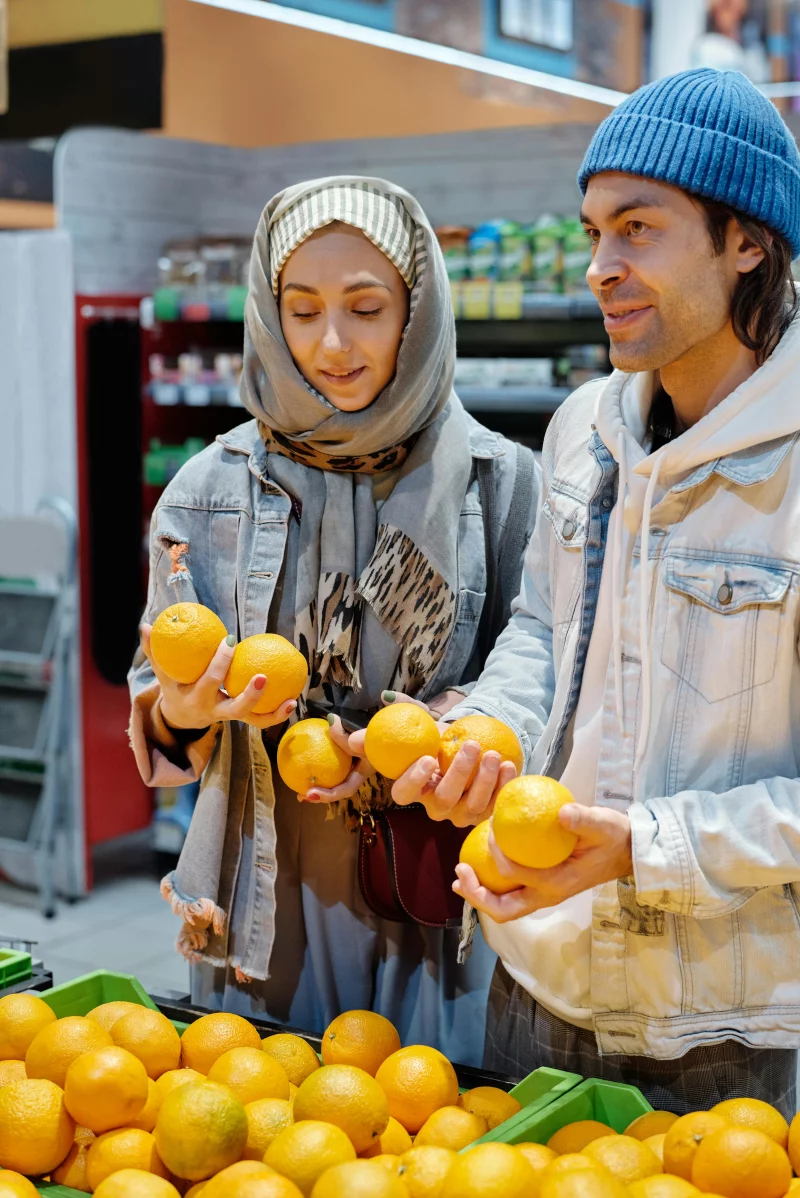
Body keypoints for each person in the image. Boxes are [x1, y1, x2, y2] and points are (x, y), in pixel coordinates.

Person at [388, 68, 800, 1115]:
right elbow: (541, 627)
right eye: (590, 232)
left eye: (636, 229)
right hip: (538, 980)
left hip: (722, 1027)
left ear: (744, 239)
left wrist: (645, 846)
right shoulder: (583, 429)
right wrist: (488, 729)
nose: (598, 268)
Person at [128, 176, 538, 1065]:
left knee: (423, 1133)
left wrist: (432, 732)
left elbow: (538, 680)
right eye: (302, 310)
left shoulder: (500, 486)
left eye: (366, 307)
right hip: (260, 886)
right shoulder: (211, 489)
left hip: (431, 894)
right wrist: (190, 710)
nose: (332, 343)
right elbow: (158, 721)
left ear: (417, 313)